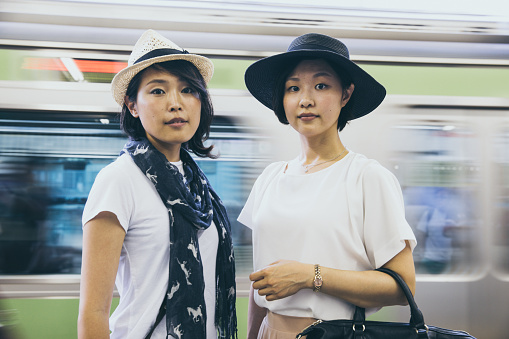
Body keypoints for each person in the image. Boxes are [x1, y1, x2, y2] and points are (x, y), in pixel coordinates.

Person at [238, 33, 417, 339]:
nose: (305, 99)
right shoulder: (270, 177)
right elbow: (262, 286)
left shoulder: (367, 177)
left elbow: (402, 287)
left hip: (336, 333)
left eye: (321, 86)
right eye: (293, 87)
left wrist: (310, 275)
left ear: (345, 95)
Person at [78, 30, 237, 339]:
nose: (176, 103)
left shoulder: (196, 184)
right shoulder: (118, 180)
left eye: (188, 90)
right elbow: (93, 311)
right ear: (133, 105)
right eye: (158, 91)